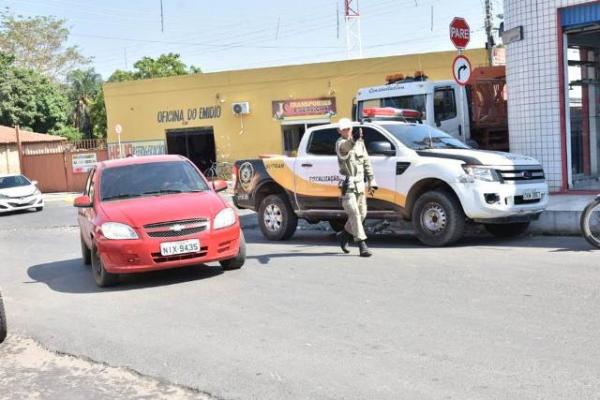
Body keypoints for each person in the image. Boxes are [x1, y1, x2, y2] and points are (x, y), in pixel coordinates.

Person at [335, 118, 377, 257]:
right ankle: (362, 245)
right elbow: (345, 148)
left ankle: (344, 235)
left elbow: (366, 162)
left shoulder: (360, 143)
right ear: (339, 131)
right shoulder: (340, 143)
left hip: (360, 184)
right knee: (354, 214)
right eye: (344, 129)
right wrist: (353, 140)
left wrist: (371, 181)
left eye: (349, 128)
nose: (347, 131)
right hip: (348, 185)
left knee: (362, 214)